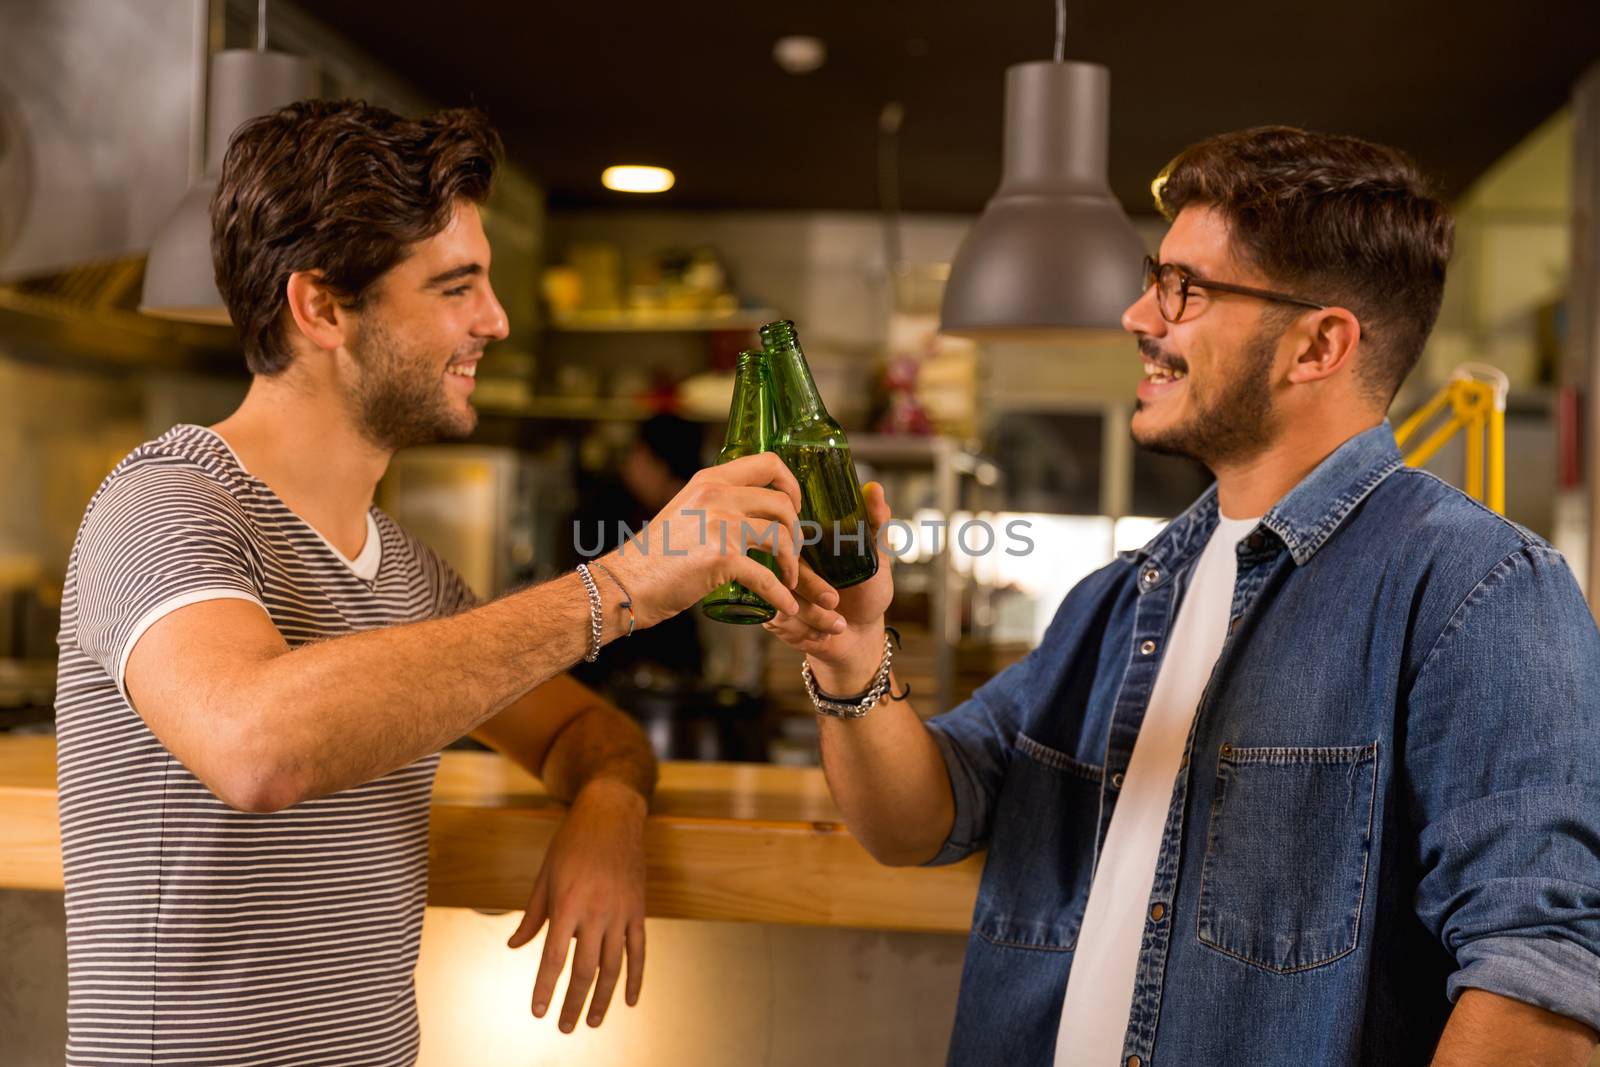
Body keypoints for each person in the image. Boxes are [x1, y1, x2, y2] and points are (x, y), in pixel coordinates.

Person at [764, 126, 1600, 1065]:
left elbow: (1536, 984)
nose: (1136, 314)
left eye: (1184, 289)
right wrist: (850, 648)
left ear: (1318, 343)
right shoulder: (1118, 598)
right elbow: (920, 819)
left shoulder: (1479, 589)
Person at [54, 100, 844, 1066]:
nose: (496, 321)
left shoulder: (411, 576)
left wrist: (609, 805)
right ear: (323, 307)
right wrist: (624, 581)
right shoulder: (166, 505)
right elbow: (257, 746)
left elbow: (591, 733)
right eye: (455, 287)